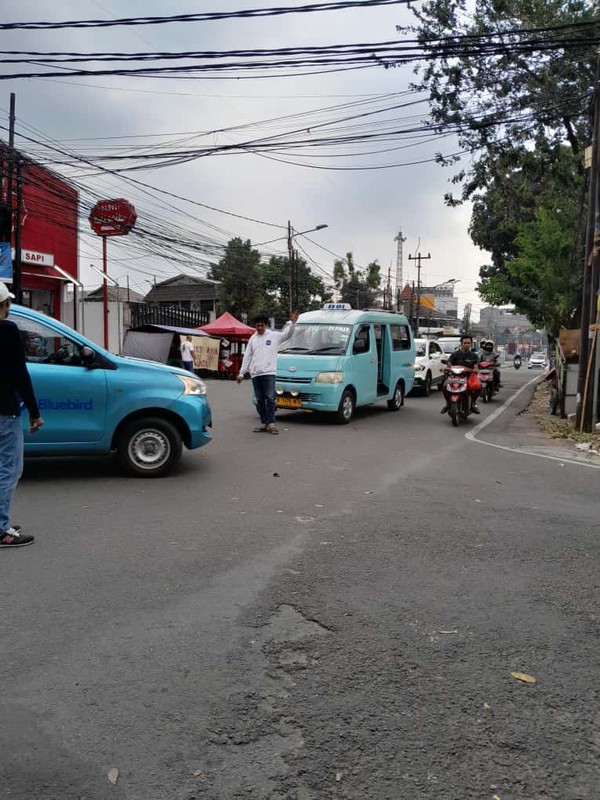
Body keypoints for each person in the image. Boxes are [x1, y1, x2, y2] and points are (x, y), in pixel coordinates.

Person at [0, 282, 44, 547]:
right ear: (5, 305)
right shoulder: (7, 330)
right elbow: (20, 374)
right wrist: (35, 413)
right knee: (9, 470)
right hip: (4, 411)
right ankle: (1, 529)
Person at [237, 311, 298, 434]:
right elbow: (247, 356)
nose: (259, 328)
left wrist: (293, 323)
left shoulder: (274, 336)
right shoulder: (252, 339)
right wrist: (241, 373)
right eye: (257, 326)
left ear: (266, 325)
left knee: (270, 398)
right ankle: (264, 423)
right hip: (256, 374)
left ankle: (271, 423)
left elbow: (288, 335)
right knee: (260, 400)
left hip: (269, 372)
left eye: (262, 325)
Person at [440, 334, 480, 415]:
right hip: (455, 377)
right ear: (461, 343)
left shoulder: (474, 355)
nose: (466, 345)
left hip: (468, 377)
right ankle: (448, 404)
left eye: (468, 343)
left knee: (478, 386)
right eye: (464, 343)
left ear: (471, 344)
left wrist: (475, 369)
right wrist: (446, 368)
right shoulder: (455, 354)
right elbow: (449, 364)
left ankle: (473, 404)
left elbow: (475, 366)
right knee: (444, 386)